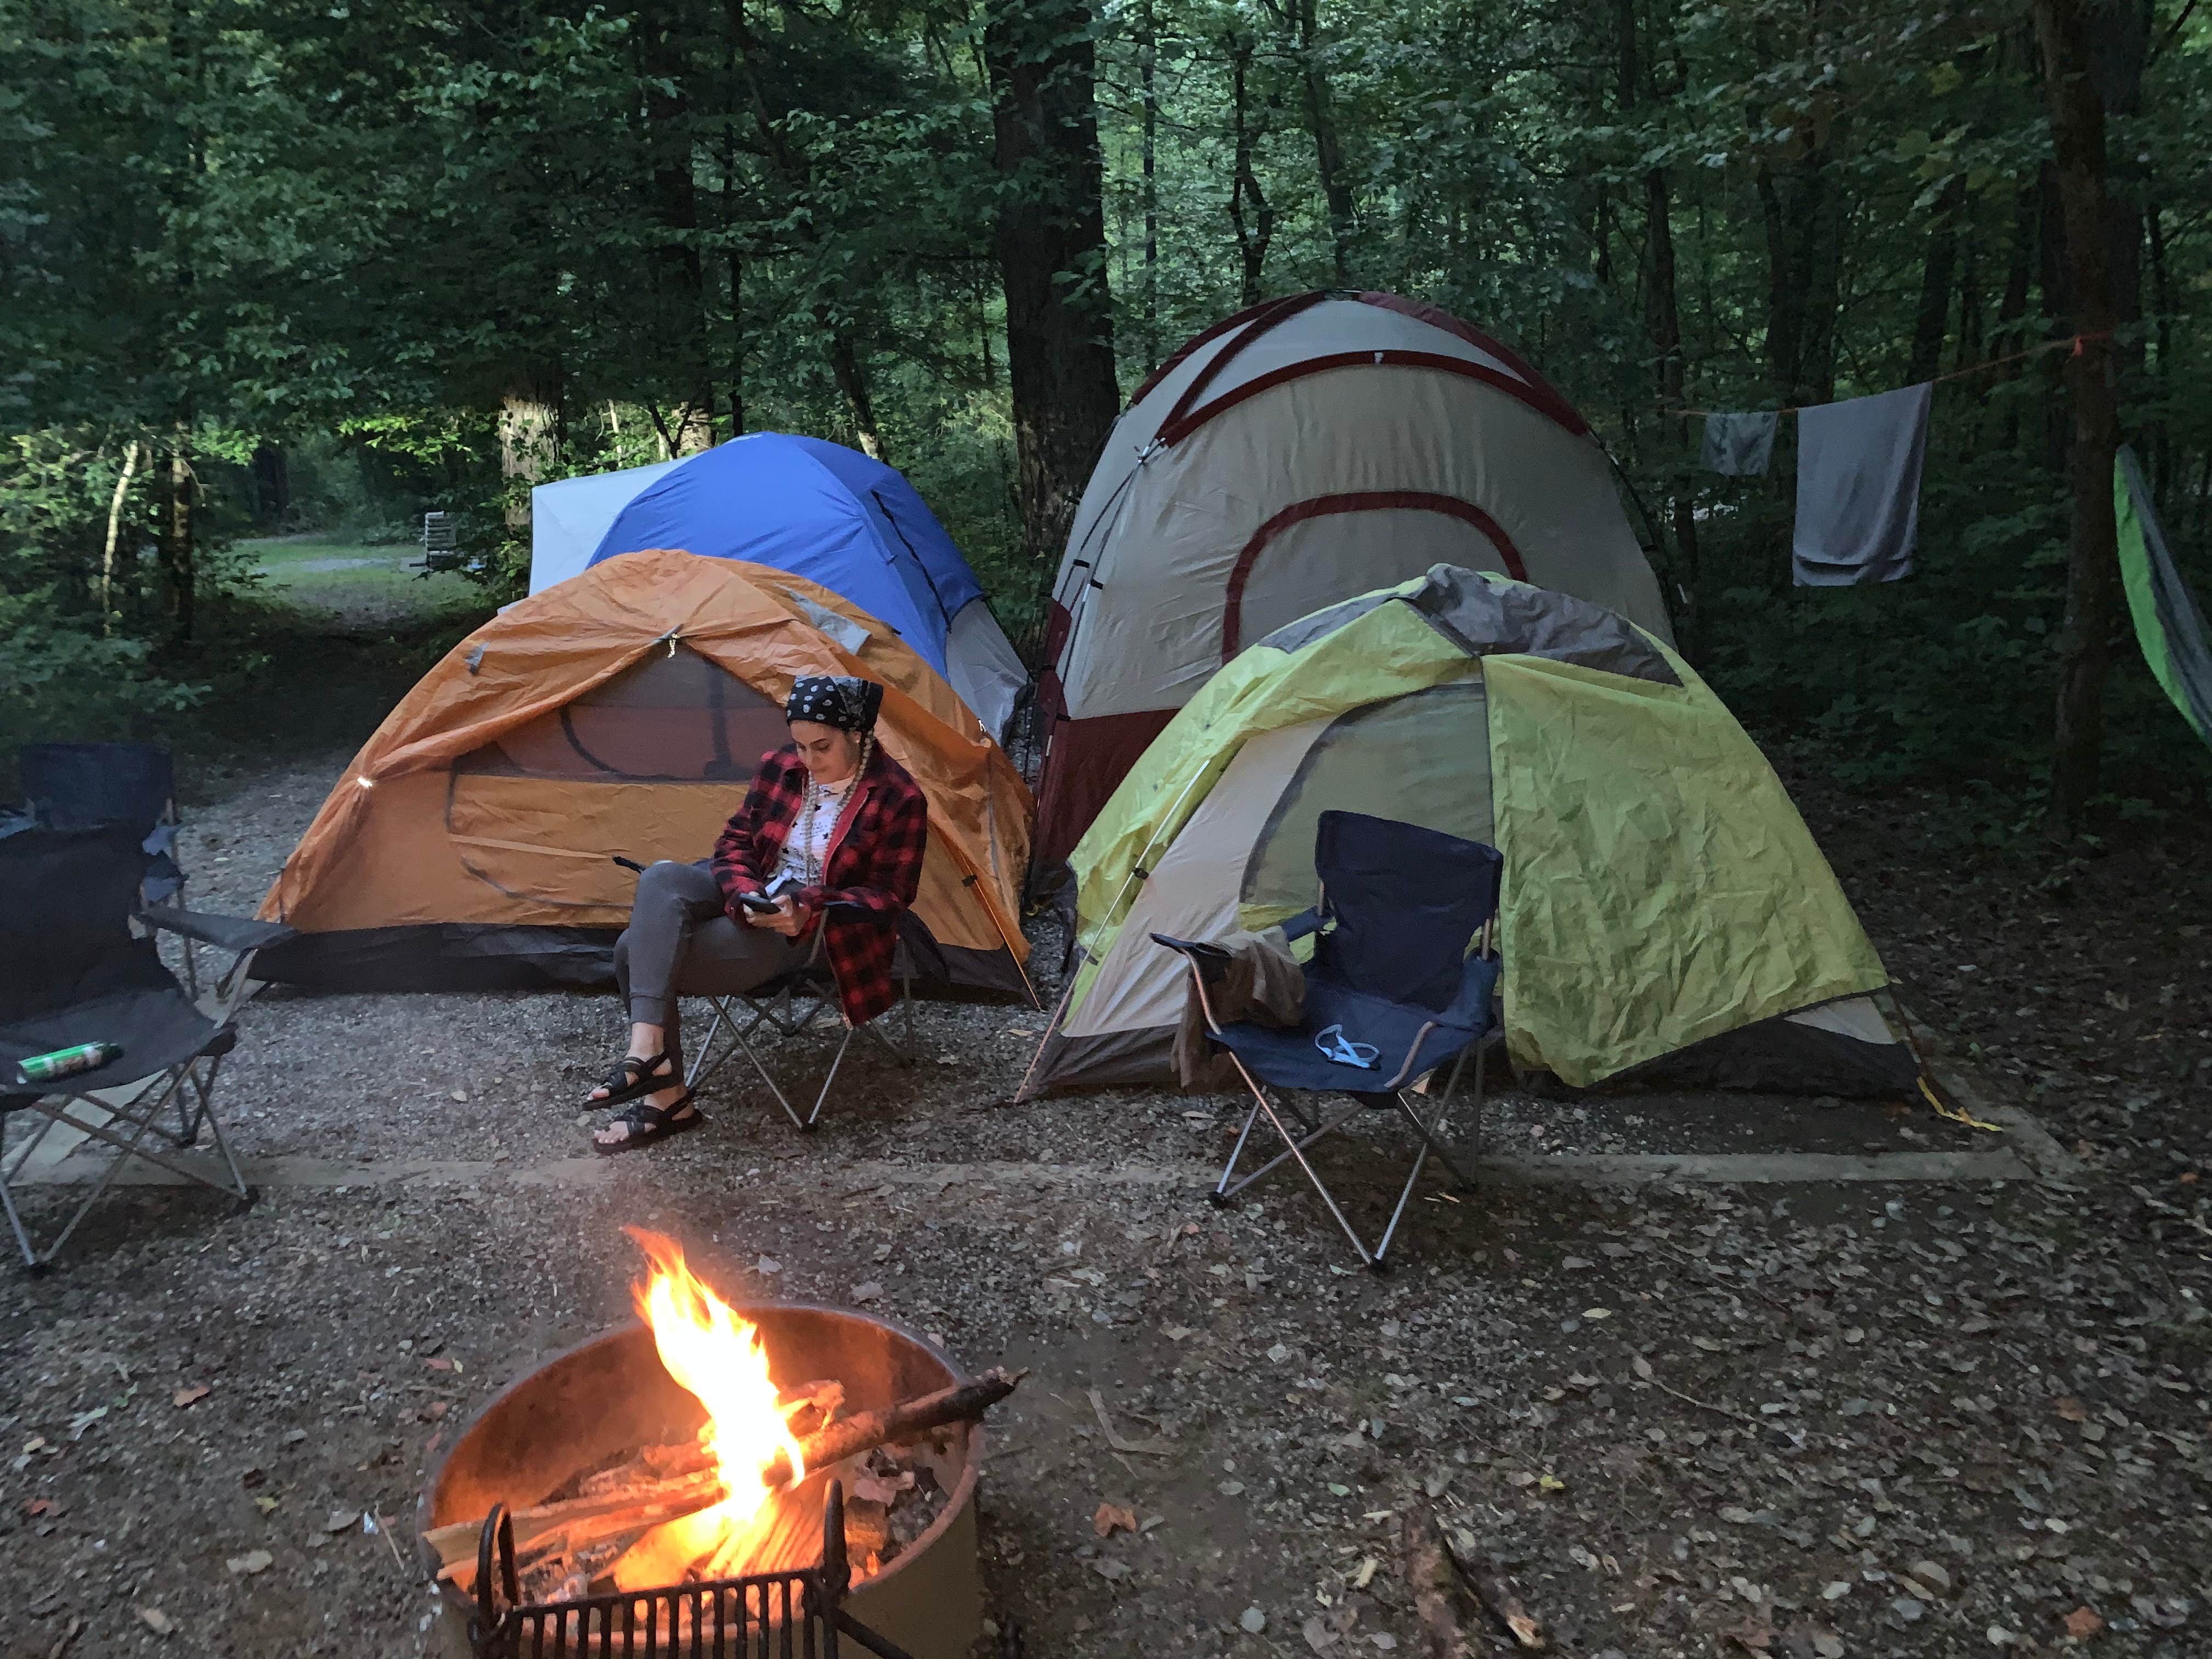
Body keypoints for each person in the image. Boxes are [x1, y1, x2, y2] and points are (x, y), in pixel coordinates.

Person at [585, 674, 929, 1153]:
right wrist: (746, 895)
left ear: (858, 735)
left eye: (822, 747)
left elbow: (890, 898)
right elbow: (736, 843)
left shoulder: (899, 798)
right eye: (801, 746)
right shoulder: (781, 767)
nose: (807, 761)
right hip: (755, 891)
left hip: (816, 928)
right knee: (660, 877)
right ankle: (646, 1052)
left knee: (631, 951)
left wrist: (809, 906)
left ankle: (667, 1098)